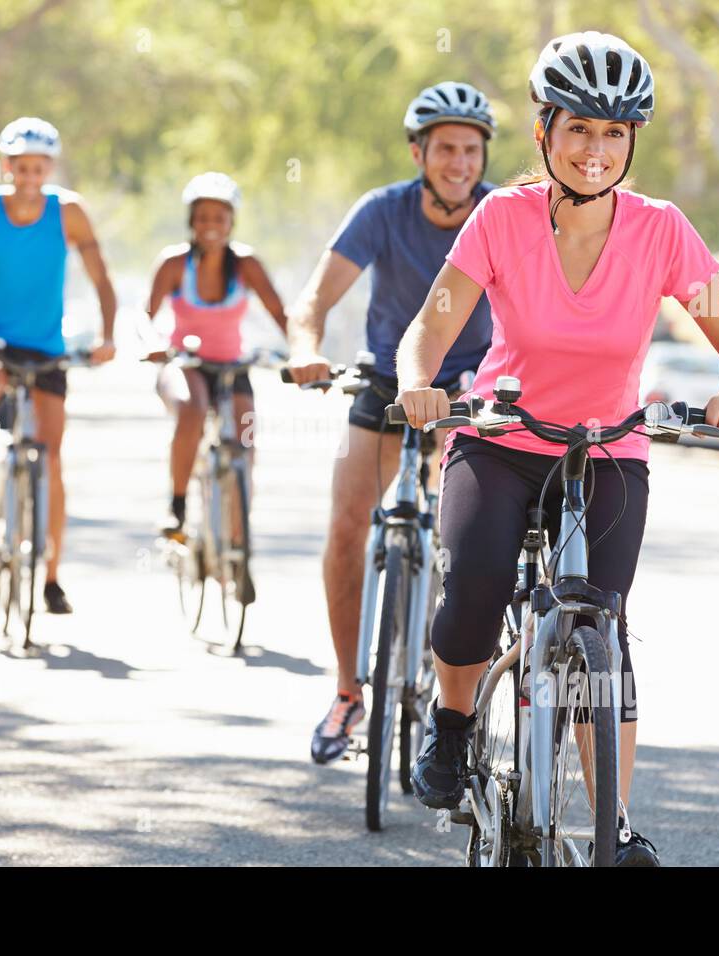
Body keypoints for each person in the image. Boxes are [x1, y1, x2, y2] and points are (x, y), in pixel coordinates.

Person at [392, 32, 719, 865]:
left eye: (614, 133)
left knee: (606, 625)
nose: (596, 150)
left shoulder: (663, 231)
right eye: (579, 130)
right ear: (544, 133)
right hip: (500, 438)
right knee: (478, 588)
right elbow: (430, 327)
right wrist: (422, 385)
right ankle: (452, 728)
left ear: (632, 142)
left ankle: (616, 827)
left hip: (610, 450)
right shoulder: (501, 218)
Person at [284, 82, 497, 764]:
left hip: (474, 390)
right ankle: (349, 691)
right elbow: (315, 297)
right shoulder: (383, 211)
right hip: (386, 383)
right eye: (445, 150)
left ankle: (459, 697)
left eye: (471, 150)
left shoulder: (502, 214)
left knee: (469, 545)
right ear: (418, 153)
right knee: (349, 523)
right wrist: (305, 348)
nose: (459, 163)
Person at [0, 117, 116, 614]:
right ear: (7, 167)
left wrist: (107, 336)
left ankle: (52, 577)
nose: (30, 177)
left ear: (49, 168)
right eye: (20, 167)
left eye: (39, 168)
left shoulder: (69, 212)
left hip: (46, 346)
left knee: (52, 458)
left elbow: (101, 278)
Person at [144, 172, 288, 553]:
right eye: (202, 217)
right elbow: (147, 316)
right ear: (192, 221)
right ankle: (176, 506)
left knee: (245, 441)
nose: (210, 226)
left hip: (232, 366)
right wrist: (154, 344)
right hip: (185, 363)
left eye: (219, 218)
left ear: (231, 222)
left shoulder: (246, 264)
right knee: (192, 410)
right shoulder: (174, 263)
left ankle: (238, 546)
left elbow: (281, 313)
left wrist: (302, 352)